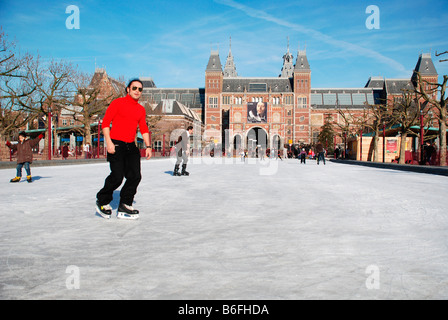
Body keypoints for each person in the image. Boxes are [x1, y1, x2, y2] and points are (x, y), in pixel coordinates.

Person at [95, 79, 152, 220]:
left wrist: (148, 146)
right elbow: (106, 122)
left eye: (140, 89)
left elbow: (143, 128)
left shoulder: (140, 109)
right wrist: (108, 142)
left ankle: (125, 204)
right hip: (116, 143)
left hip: (131, 145)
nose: (137, 91)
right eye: (134, 88)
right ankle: (102, 201)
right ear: (128, 89)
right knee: (117, 177)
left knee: (135, 176)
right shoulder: (118, 103)